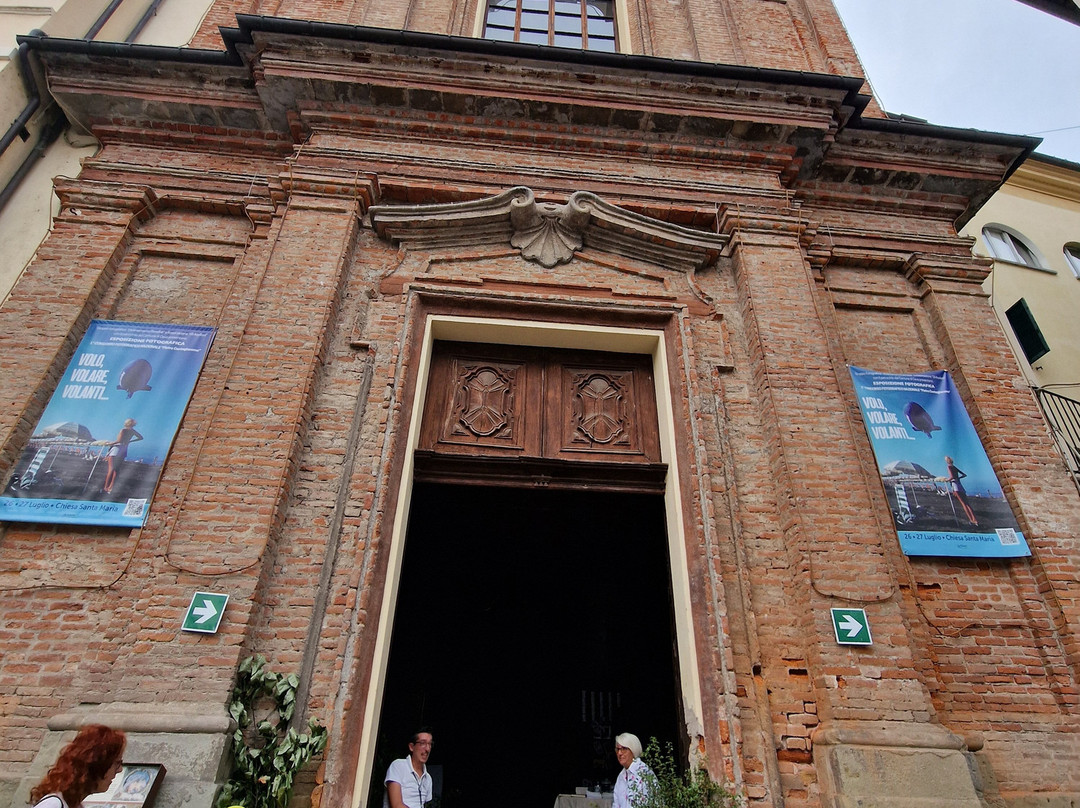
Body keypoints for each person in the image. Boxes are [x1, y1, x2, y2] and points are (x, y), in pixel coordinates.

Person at [29, 724, 126, 808]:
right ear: (96, 765)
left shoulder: (73, 804)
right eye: (117, 763)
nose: (120, 770)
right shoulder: (53, 804)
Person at [383, 728, 434, 808]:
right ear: (411, 747)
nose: (427, 749)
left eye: (430, 744)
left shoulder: (428, 778)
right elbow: (396, 805)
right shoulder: (398, 766)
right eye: (423, 743)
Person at [613, 733, 653, 808]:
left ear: (633, 750)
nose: (619, 753)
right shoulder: (621, 776)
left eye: (624, 749)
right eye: (617, 749)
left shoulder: (643, 773)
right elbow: (616, 804)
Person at [103, 419, 142, 494]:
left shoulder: (123, 430)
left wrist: (109, 443)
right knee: (117, 470)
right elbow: (140, 437)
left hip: (117, 449)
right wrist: (130, 441)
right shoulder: (132, 431)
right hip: (124, 449)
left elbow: (119, 440)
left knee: (111, 469)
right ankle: (111, 487)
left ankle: (106, 487)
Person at [940, 455, 977, 525]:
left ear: (946, 461)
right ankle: (974, 519)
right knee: (967, 504)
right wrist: (958, 478)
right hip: (960, 485)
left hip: (955, 485)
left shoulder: (949, 467)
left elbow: (951, 477)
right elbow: (964, 475)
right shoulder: (954, 467)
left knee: (963, 504)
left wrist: (946, 480)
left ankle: (971, 520)